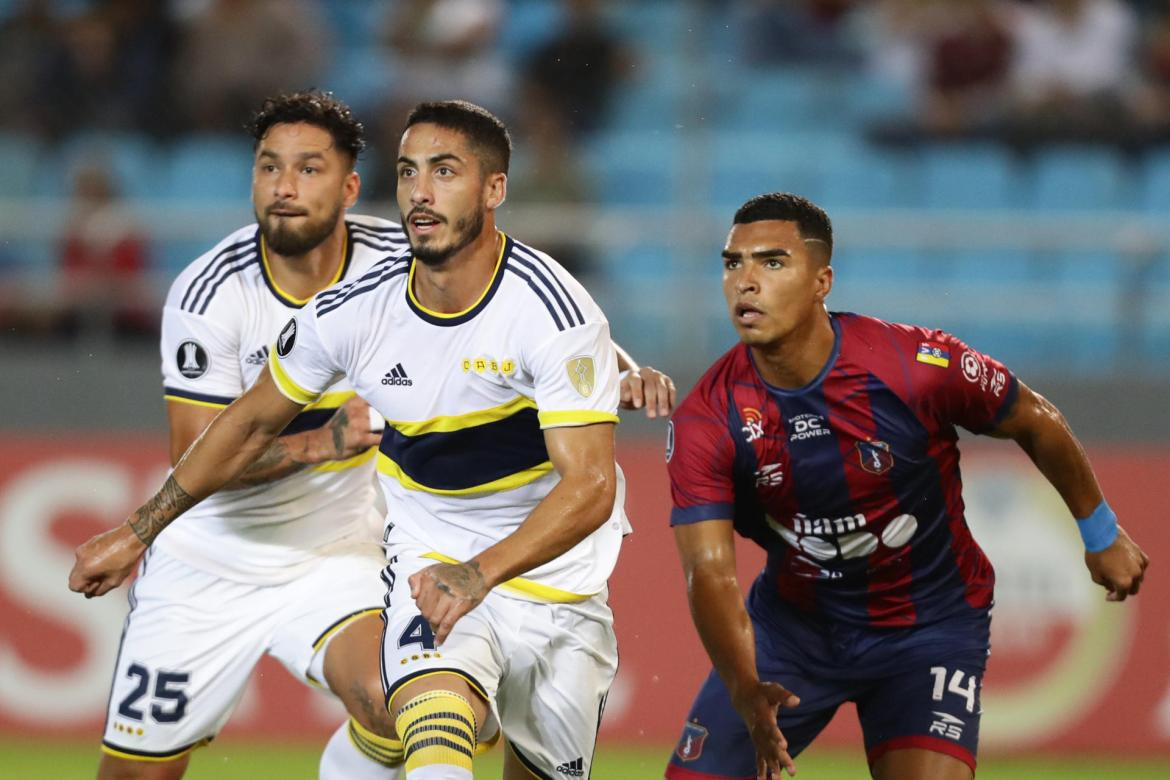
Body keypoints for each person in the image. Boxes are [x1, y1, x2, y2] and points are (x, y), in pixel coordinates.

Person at [67, 92, 672, 780]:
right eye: (410, 171)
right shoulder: (261, 297)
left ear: (350, 188)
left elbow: (567, 367)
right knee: (422, 716)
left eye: (443, 171)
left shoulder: (485, 281)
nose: (285, 187)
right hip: (256, 559)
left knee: (402, 714)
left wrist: (618, 370)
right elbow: (231, 430)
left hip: (409, 559)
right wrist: (141, 529)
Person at [662, 192, 1148, 780]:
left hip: (929, 630)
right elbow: (709, 574)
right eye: (731, 263)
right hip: (793, 633)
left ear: (822, 281)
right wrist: (744, 689)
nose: (745, 282)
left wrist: (1100, 532)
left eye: (771, 263)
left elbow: (1034, 420)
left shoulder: (913, 366)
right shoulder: (707, 418)